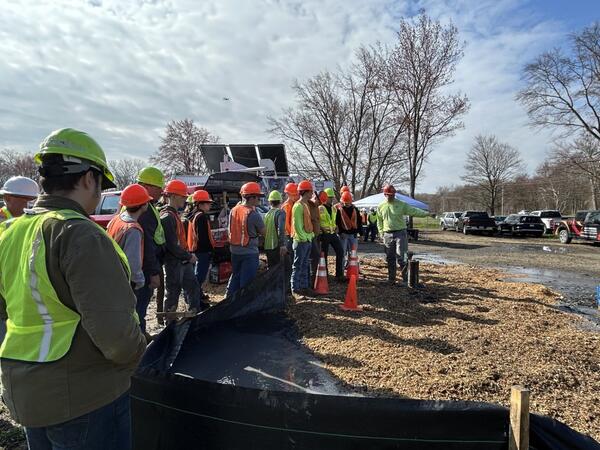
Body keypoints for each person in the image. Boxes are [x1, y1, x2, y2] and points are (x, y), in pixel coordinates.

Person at [0, 128, 146, 449]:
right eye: (100, 184)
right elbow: (118, 339)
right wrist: (141, 357)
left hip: (27, 394)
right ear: (88, 179)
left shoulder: (10, 232)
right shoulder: (79, 235)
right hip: (85, 398)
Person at [160, 180, 202, 315]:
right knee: (173, 292)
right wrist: (189, 256)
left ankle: (194, 315)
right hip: (174, 262)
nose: (185, 198)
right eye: (183, 196)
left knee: (193, 288)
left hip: (182, 260)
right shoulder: (167, 217)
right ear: (173, 196)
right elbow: (172, 245)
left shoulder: (174, 214)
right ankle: (169, 323)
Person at [377, 184, 429, 284]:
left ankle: (406, 279)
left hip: (400, 233)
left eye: (392, 195)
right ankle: (391, 279)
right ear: (384, 194)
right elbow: (379, 220)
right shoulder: (381, 206)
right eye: (388, 194)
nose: (390, 196)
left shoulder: (401, 204)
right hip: (387, 234)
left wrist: (425, 213)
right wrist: (381, 232)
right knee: (390, 258)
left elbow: (413, 211)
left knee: (402, 256)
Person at [135, 166, 166, 329]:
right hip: (145, 268)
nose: (162, 190)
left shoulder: (147, 206)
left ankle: (141, 333)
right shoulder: (143, 209)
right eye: (159, 187)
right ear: (147, 187)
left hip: (145, 265)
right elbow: (147, 243)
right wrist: (153, 272)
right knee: (140, 306)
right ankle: (139, 342)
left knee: (140, 306)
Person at [107, 184, 153, 295]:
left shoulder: (116, 219)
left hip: (112, 277)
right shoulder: (133, 229)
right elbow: (133, 264)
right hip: (125, 283)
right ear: (142, 205)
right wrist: (139, 281)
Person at [226, 182, 266, 297]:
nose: (259, 200)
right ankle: (243, 305)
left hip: (234, 251)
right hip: (249, 253)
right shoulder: (253, 214)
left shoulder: (233, 210)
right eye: (257, 197)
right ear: (251, 198)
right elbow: (264, 232)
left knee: (236, 277)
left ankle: (228, 302)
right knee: (247, 283)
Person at [187, 189, 215, 302]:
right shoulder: (201, 216)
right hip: (202, 251)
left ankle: (197, 295)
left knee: (196, 275)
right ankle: (195, 298)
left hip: (194, 250)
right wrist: (210, 251)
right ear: (201, 204)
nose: (209, 205)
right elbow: (202, 237)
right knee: (200, 276)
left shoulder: (193, 215)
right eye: (208, 203)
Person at [291, 180, 315, 297]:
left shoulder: (305, 205)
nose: (312, 194)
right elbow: (297, 226)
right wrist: (305, 238)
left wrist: (310, 236)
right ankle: (295, 289)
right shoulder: (298, 206)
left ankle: (304, 287)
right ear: (306, 192)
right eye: (311, 191)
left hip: (306, 240)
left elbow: (307, 225)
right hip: (301, 241)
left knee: (305, 265)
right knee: (298, 265)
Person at [318, 187, 345, 282]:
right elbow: (317, 221)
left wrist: (337, 227)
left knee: (340, 252)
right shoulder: (320, 208)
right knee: (323, 255)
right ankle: (324, 275)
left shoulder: (334, 209)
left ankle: (339, 275)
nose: (331, 199)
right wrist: (321, 230)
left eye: (332, 197)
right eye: (330, 197)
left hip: (333, 234)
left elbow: (335, 220)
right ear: (325, 197)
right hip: (324, 235)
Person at [336, 191, 362, 267]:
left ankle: (353, 269)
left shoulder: (355, 210)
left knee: (353, 253)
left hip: (353, 235)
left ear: (351, 201)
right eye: (345, 203)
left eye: (348, 203)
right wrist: (340, 233)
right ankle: (342, 270)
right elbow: (337, 222)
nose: (346, 204)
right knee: (342, 253)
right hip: (343, 235)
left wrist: (361, 233)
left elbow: (359, 222)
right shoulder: (339, 210)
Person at [281, 183, 298, 289]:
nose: (296, 196)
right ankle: (288, 286)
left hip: (292, 236)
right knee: (290, 262)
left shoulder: (293, 204)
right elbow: (286, 225)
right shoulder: (286, 206)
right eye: (294, 194)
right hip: (289, 237)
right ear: (289, 194)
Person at [264, 190, 287, 269]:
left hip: (267, 246)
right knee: (279, 270)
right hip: (276, 246)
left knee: (271, 270)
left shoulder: (267, 214)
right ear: (280, 201)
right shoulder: (280, 212)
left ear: (270, 202)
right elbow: (280, 229)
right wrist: (282, 244)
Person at [307, 189, 321, 285]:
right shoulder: (309, 205)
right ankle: (311, 280)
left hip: (315, 236)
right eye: (316, 200)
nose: (318, 203)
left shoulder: (317, 207)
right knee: (313, 257)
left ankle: (314, 278)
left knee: (315, 257)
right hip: (309, 236)